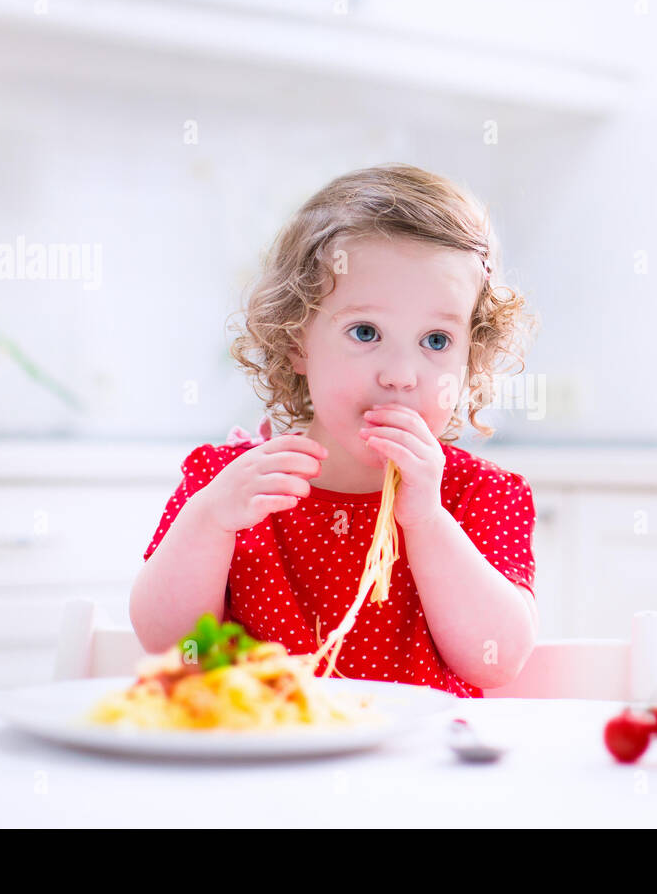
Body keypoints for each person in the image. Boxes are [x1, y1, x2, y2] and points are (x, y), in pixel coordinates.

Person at [129, 163, 540, 697]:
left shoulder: (479, 495)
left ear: (471, 355)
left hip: (419, 774)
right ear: (298, 341)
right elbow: (170, 649)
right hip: (262, 765)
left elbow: (496, 662)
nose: (400, 375)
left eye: (436, 341)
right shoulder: (225, 483)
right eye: (366, 332)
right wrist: (209, 521)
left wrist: (427, 520)